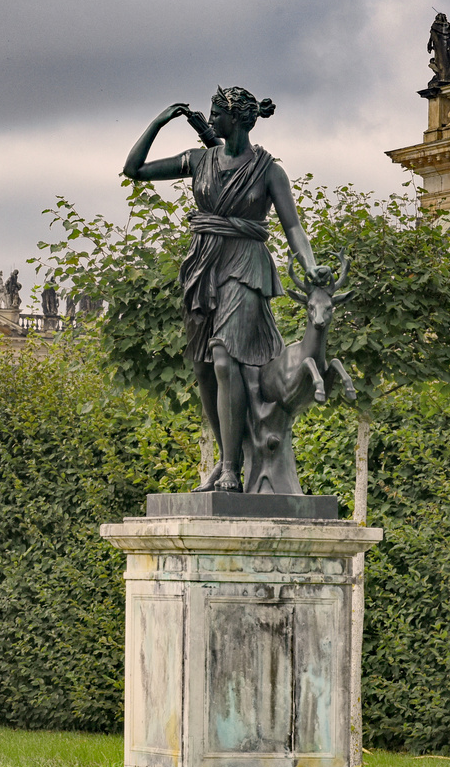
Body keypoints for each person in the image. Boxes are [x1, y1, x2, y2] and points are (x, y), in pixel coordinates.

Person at [123, 87, 330, 493]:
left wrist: (310, 265)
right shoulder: (201, 160)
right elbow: (135, 169)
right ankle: (224, 459)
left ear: (237, 120)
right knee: (204, 367)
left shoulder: (270, 171)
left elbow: (293, 229)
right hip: (203, 267)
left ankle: (233, 469)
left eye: (218, 114)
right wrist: (159, 122)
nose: (211, 119)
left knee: (223, 357)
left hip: (246, 266)